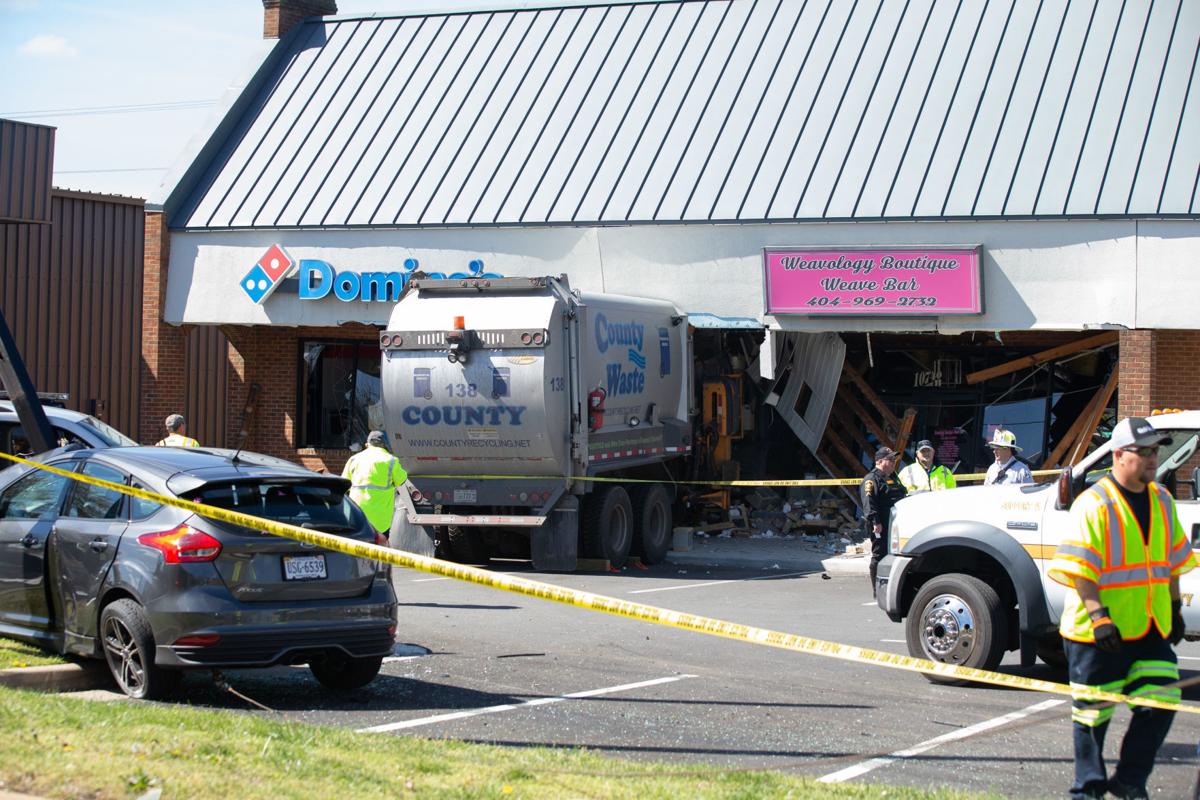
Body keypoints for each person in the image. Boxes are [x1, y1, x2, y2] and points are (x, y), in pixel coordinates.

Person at [1047, 416, 1195, 800]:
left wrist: (1175, 607)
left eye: (1155, 451)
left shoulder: (1162, 500)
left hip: (1148, 627)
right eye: (1143, 451)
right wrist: (1099, 617)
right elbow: (1079, 568)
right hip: (1098, 633)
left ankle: (1129, 780)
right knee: (1092, 715)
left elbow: (1173, 560)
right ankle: (1088, 789)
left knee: (1162, 700)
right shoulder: (1094, 503)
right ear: (1117, 455)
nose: (1152, 458)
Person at [341, 430, 407, 537]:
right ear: (384, 445)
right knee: (379, 545)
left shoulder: (354, 459)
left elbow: (344, 484)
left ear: (367, 444)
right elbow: (402, 479)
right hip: (381, 520)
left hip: (358, 515)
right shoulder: (391, 460)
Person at [860, 446, 907, 593]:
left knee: (892, 554)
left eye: (894, 459)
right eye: (890, 459)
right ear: (879, 461)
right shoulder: (871, 479)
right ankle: (877, 590)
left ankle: (890, 586)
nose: (894, 462)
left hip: (893, 523)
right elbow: (869, 503)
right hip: (880, 525)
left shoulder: (892, 477)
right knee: (879, 555)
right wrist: (875, 522)